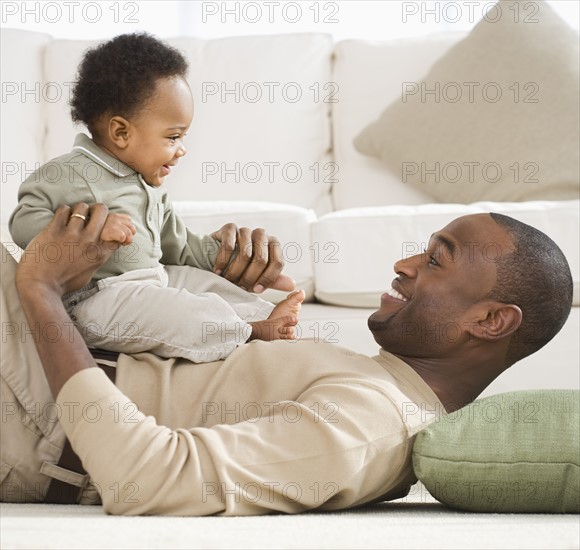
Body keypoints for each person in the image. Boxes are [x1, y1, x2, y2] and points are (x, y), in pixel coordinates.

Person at [1, 204, 573, 515]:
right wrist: (212, 283)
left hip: (37, 411)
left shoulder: (370, 426)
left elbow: (147, 476)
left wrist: (43, 293)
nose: (404, 264)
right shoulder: (376, 382)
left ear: (490, 321)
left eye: (436, 262)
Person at [8, 32, 302, 364]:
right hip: (96, 300)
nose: (182, 150)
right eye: (173, 136)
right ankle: (251, 332)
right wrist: (92, 226)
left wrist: (232, 259)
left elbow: (180, 247)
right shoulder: (69, 172)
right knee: (177, 311)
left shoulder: (149, 187)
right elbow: (22, 222)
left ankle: (262, 316)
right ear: (121, 133)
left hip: (154, 281)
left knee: (195, 283)